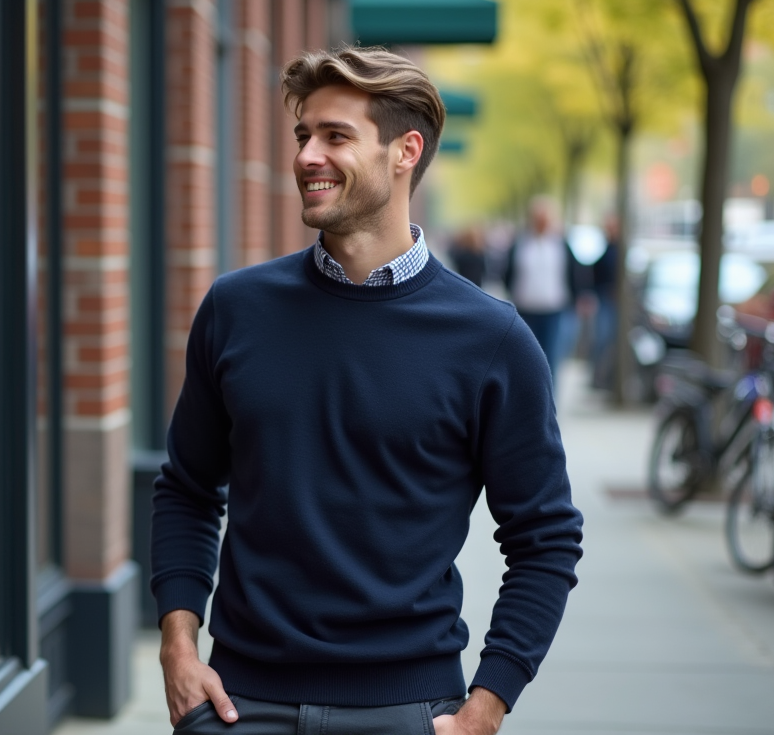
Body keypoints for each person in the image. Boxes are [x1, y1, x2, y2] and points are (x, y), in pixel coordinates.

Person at [151, 46, 583, 735]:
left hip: (410, 710)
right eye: (303, 135)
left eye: (336, 136)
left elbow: (544, 539)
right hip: (239, 703)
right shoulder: (236, 309)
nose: (306, 156)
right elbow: (188, 488)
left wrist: (486, 705)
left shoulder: (491, 340)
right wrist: (177, 644)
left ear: (405, 151)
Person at [503, 198, 583, 384]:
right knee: (526, 357)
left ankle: (550, 400)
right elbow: (509, 272)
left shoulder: (560, 244)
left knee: (552, 357)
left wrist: (577, 298)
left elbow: (574, 272)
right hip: (525, 309)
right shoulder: (521, 243)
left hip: (554, 310)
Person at [590, 213, 620, 390]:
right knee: (603, 338)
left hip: (611, 300)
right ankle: (599, 378)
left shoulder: (616, 248)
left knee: (608, 338)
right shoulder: (609, 248)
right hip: (606, 299)